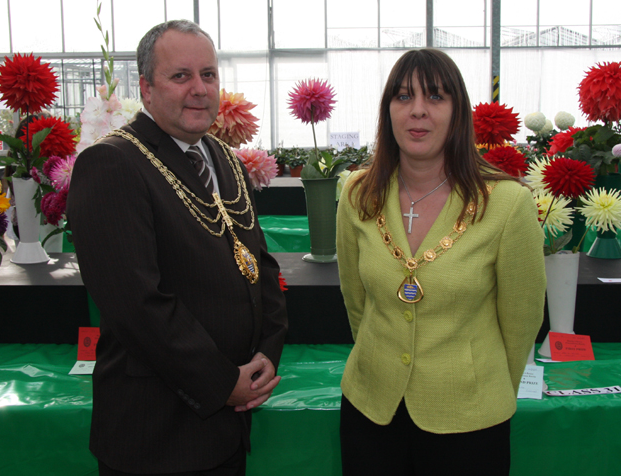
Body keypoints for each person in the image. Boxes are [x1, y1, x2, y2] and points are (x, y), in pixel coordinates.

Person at [67, 20, 287, 476]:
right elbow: (138, 306)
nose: (199, 89)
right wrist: (224, 383)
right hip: (159, 438)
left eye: (208, 75)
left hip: (228, 427)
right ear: (146, 88)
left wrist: (267, 353)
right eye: (180, 76)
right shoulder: (112, 164)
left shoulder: (225, 158)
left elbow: (261, 266)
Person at [336, 48, 545, 475]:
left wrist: (480, 385)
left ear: (458, 112)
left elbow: (522, 321)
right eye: (402, 96)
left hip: (469, 418)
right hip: (371, 409)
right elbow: (357, 305)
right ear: (387, 111)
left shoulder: (506, 203)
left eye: (435, 97)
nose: (417, 111)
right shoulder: (358, 194)